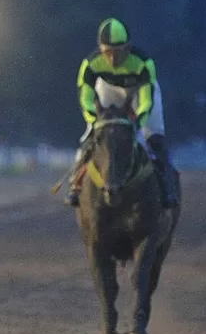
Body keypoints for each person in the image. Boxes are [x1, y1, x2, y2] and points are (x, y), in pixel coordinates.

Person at [66, 18, 179, 208]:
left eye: (118, 52)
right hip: (109, 88)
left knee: (154, 138)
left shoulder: (144, 63)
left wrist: (138, 123)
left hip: (139, 91)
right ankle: (75, 184)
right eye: (107, 53)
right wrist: (95, 120)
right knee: (91, 136)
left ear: (128, 48)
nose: (112, 59)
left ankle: (168, 187)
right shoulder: (90, 64)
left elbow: (146, 101)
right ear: (100, 49)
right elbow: (85, 99)